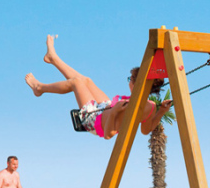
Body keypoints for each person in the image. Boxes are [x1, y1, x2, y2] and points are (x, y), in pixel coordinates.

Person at [25, 34, 173, 140]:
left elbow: (108, 135)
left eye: (130, 79)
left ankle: (39, 88)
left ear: (136, 84)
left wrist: (114, 112)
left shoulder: (131, 106)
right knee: (87, 81)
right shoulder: (151, 106)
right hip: (106, 107)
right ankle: (53, 58)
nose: (128, 82)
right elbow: (145, 130)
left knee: (76, 82)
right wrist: (161, 112)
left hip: (94, 120)